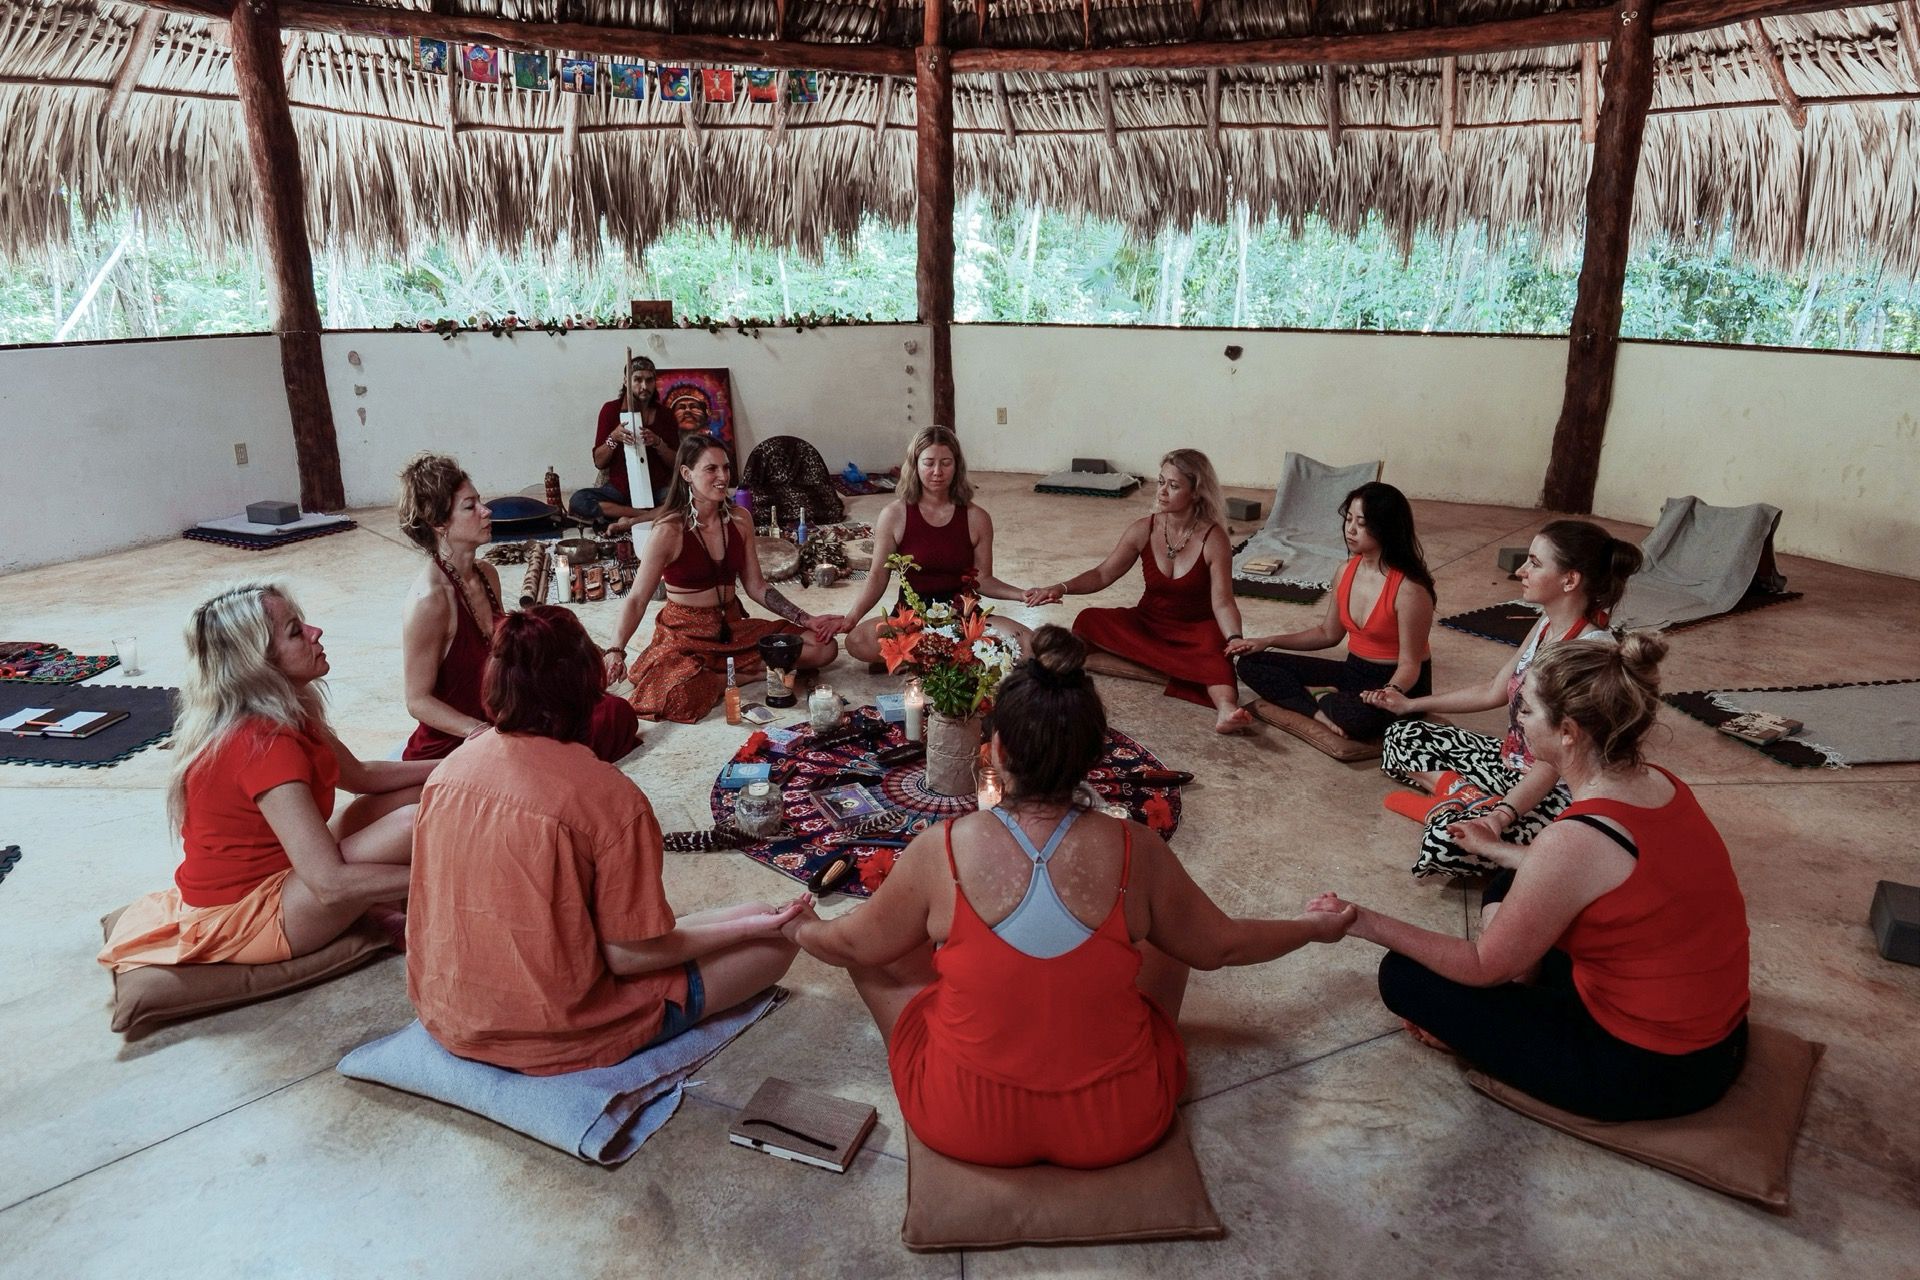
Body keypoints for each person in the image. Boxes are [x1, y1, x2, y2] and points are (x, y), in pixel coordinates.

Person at [781, 626, 1356, 1167]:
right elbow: (1222, 947)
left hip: (964, 1122)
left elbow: (852, 945)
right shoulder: (1138, 848)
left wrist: (802, 927)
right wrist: (1314, 927)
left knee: (872, 941)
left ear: (996, 750)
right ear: (1095, 754)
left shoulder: (942, 849)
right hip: (1119, 1124)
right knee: (1171, 937)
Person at [1312, 633, 1752, 1123]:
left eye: (1526, 710)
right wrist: (1494, 846)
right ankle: (1521, 981)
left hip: (1653, 1071)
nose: (1517, 720)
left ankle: (1497, 1016)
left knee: (1404, 975)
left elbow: (1483, 966)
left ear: (1567, 731)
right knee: (1506, 880)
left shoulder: (1575, 841)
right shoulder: (1661, 782)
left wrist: (1361, 921)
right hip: (1724, 1035)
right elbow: (1603, 877)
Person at [406, 606, 803, 1074]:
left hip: (447, 1010)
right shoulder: (609, 797)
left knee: (758, 914)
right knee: (775, 944)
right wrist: (747, 932)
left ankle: (751, 921)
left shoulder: (450, 769)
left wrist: (748, 921)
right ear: (586, 689)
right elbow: (628, 956)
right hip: (551, 1027)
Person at [98, 583, 434, 972]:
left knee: (420, 792)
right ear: (259, 662)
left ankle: (380, 908)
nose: (315, 632)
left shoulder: (287, 707)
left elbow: (363, 775)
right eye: (295, 631)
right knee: (412, 824)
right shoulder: (263, 744)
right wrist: (440, 875)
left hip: (288, 874)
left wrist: (462, 759)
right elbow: (329, 885)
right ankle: (391, 905)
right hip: (246, 917)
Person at [1363, 520, 1643, 878]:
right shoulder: (1546, 623)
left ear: (1569, 581)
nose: (1521, 571)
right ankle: (1467, 798)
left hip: (1553, 791)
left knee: (1445, 845)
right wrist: (1410, 704)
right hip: (1509, 764)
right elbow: (1495, 689)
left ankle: (1465, 804)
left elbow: (1554, 763)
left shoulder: (1591, 656)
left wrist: (1500, 817)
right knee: (1402, 735)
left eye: (1535, 563)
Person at [397, 453, 638, 764]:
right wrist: (482, 733)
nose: (486, 512)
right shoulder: (429, 599)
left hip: (509, 721)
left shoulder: (487, 574)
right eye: (471, 507)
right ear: (439, 523)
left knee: (613, 714)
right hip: (464, 743)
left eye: (480, 501)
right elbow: (418, 701)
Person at [607, 435, 840, 723]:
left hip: (732, 628)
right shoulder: (669, 529)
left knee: (824, 648)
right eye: (711, 469)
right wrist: (616, 649)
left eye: (726, 468)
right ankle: (742, 675)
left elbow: (757, 587)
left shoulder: (740, 520)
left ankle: (723, 672)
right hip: (686, 635)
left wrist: (806, 620)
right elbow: (638, 598)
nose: (722, 477)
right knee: (676, 697)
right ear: (686, 474)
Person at [1027, 450, 1253, 733]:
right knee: (1088, 619)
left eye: (1174, 485)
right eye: (1161, 482)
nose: (1162, 492)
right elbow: (1103, 573)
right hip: (1147, 623)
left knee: (1216, 651)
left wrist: (1234, 638)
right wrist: (1060, 587)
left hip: (1194, 630)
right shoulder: (1143, 529)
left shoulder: (1213, 537)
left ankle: (1226, 710)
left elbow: (1222, 602)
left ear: (1196, 492)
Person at [1227, 482, 1435, 741]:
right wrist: (1267, 641)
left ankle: (1323, 696)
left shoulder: (1410, 589)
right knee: (1251, 664)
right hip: (1354, 671)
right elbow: (1327, 633)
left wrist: (1389, 692)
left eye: (1362, 522)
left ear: (1386, 527)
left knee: (1356, 720)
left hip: (1399, 683)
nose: (1351, 529)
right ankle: (1320, 709)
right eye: (1349, 519)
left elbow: (1410, 664)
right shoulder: (1345, 570)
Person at [840, 426, 1036, 664]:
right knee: (857, 641)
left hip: (962, 620)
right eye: (929, 462)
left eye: (946, 463)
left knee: (1029, 645)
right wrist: (852, 617)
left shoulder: (977, 518)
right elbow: (877, 578)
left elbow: (983, 579)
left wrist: (1021, 595)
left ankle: (928, 658)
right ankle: (951, 657)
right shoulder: (894, 515)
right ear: (914, 465)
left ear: (957, 466)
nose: (937, 471)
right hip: (911, 621)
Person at [568, 356, 681, 532]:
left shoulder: (665, 415)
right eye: (637, 379)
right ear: (626, 381)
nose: (644, 386)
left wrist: (658, 443)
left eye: (649, 380)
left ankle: (628, 520)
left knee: (687, 497)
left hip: (657, 489)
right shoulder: (610, 410)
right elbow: (599, 462)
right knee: (578, 500)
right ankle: (645, 515)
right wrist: (613, 437)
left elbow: (677, 463)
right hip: (619, 491)